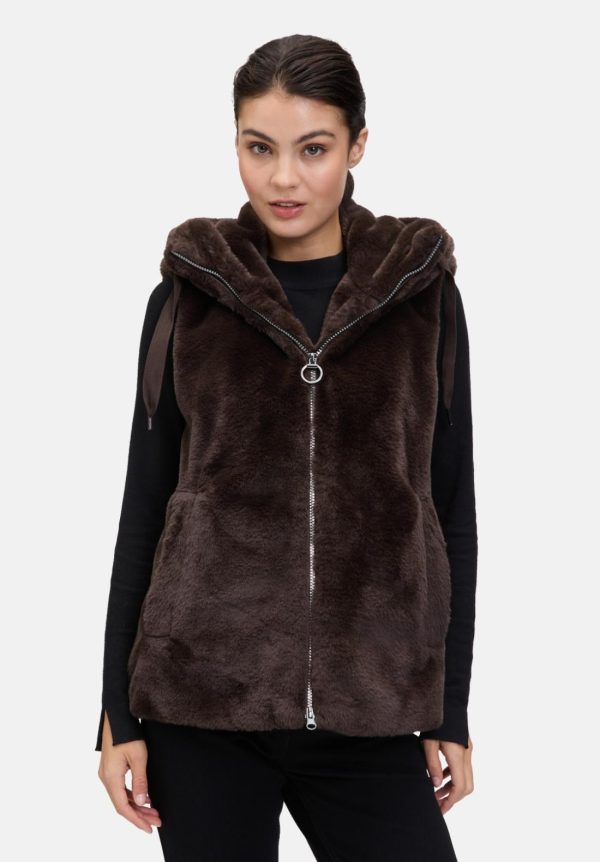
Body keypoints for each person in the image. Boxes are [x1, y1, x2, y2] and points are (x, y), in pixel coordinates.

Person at [96, 33, 478, 861]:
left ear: (357, 145)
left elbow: (449, 508)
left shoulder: (422, 298)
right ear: (235, 142)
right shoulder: (188, 296)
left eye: (313, 149)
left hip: (370, 706)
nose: (282, 179)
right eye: (258, 147)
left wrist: (449, 706)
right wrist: (116, 716)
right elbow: (146, 506)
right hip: (201, 707)